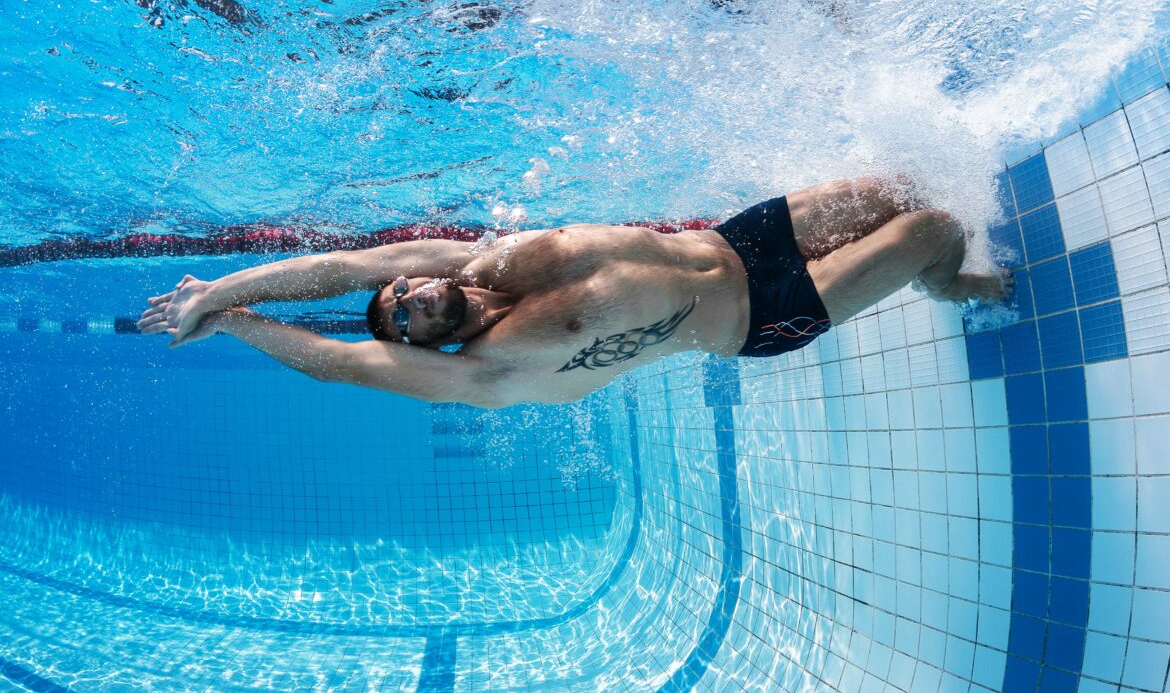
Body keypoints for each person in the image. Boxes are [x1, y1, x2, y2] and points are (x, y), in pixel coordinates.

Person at [137, 177, 1012, 408]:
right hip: (758, 316)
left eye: (397, 289)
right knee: (933, 232)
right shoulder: (490, 369)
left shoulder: (480, 258)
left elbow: (346, 269)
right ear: (416, 345)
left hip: (740, 238)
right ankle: (947, 285)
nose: (402, 293)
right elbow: (334, 363)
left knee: (898, 187)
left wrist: (217, 286)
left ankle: (934, 267)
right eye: (400, 318)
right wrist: (237, 326)